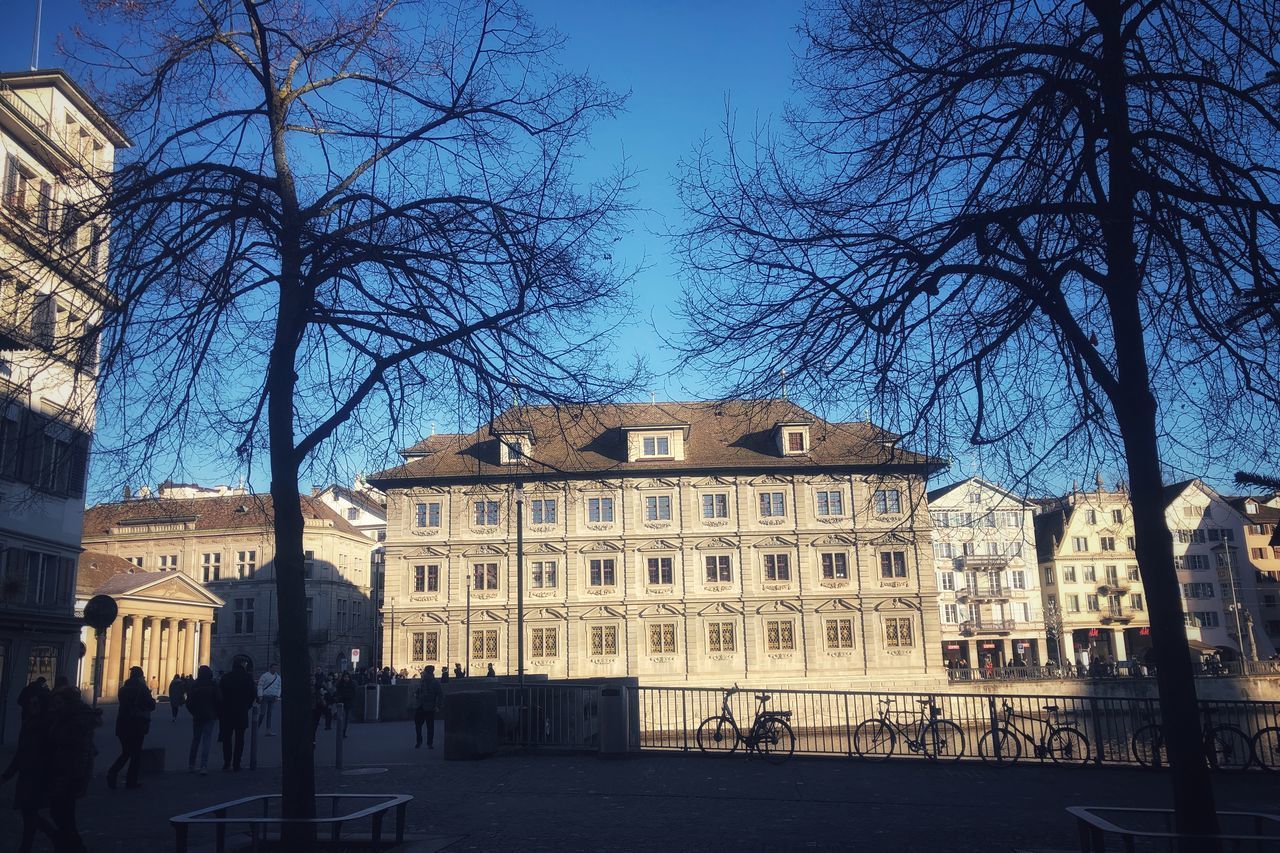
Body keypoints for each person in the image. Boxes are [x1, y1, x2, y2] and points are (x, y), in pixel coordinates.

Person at [46, 685, 99, 853]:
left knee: (61, 812)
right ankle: (69, 844)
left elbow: (81, 750)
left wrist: (77, 776)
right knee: (62, 812)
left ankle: (71, 845)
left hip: (69, 772)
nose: (56, 705)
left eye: (59, 702)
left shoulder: (76, 721)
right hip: (64, 771)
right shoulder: (66, 717)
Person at [2, 689, 56, 853]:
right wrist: (7, 775)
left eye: (34, 704)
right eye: (30, 704)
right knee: (29, 815)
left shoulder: (47, 727)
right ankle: (54, 838)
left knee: (30, 814)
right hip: (28, 776)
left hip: (38, 778)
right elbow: (21, 753)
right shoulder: (30, 723)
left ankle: (53, 839)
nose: (30, 707)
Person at [107, 666, 155, 790]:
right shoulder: (142, 688)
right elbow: (150, 705)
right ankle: (131, 780)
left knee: (126, 751)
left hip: (122, 724)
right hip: (137, 724)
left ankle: (113, 772)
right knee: (135, 754)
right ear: (140, 677)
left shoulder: (123, 689)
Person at [217, 660, 256, 771]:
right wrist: (247, 705)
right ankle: (237, 763)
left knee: (227, 738)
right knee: (240, 739)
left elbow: (220, 694)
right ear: (242, 665)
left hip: (227, 712)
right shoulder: (247, 677)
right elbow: (253, 693)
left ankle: (226, 762)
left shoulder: (226, 677)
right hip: (241, 711)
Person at [185, 666, 221, 774]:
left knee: (195, 740)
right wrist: (216, 713)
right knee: (206, 740)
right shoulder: (213, 684)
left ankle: (191, 765)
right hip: (210, 716)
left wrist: (194, 712)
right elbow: (219, 700)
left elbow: (189, 702)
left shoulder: (194, 685)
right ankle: (203, 766)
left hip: (198, 716)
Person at [413, 666, 443, 750]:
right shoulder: (423, 681)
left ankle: (423, 742)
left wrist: (438, 706)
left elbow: (440, 695)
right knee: (425, 726)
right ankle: (425, 742)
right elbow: (417, 691)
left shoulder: (433, 682)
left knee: (425, 726)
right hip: (422, 706)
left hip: (427, 706)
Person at [256, 663, 282, 736]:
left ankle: (268, 730)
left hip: (273, 696)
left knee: (269, 714)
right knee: (262, 713)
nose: (275, 669)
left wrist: (277, 696)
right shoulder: (264, 676)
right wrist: (260, 695)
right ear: (270, 668)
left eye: (276, 668)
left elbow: (279, 687)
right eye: (273, 668)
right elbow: (260, 685)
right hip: (265, 696)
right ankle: (256, 727)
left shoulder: (278, 677)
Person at [335, 672, 357, 737]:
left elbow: (353, 694)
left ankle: (343, 731)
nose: (346, 678)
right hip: (341, 703)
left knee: (346, 719)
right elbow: (338, 694)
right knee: (343, 718)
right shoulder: (340, 685)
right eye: (345, 677)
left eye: (347, 677)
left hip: (348, 703)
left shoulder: (352, 685)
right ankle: (342, 731)